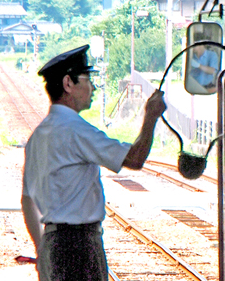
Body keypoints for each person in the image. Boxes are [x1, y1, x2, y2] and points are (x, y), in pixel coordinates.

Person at [21, 45, 166, 281]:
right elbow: (135, 158)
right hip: (79, 246)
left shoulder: (37, 137)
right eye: (87, 79)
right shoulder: (76, 130)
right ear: (68, 83)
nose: (93, 87)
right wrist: (151, 116)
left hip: (52, 244)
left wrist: (42, 249)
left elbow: (27, 200)